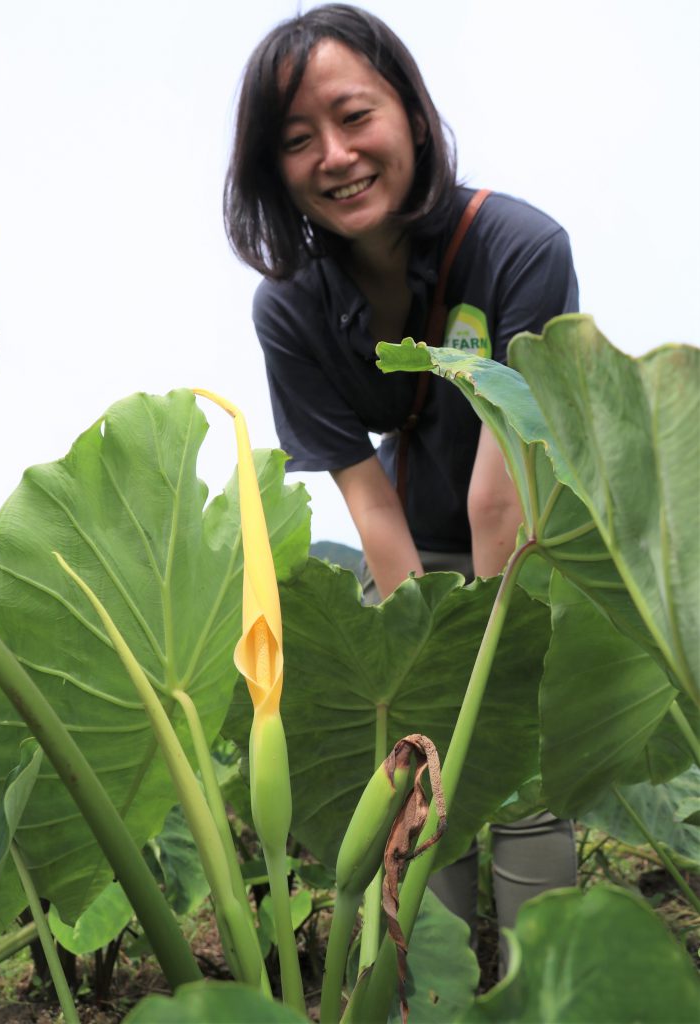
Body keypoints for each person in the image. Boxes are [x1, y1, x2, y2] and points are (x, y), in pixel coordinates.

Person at [224, 2, 577, 966]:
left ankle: (545, 977)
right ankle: (441, 976)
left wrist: (486, 653)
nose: (334, 155)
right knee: (423, 783)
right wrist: (422, 650)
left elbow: (499, 500)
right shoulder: (291, 306)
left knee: (517, 768)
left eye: (353, 117)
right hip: (409, 543)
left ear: (411, 117)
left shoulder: (520, 248)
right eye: (297, 141)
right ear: (273, 170)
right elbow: (366, 498)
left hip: (522, 544)